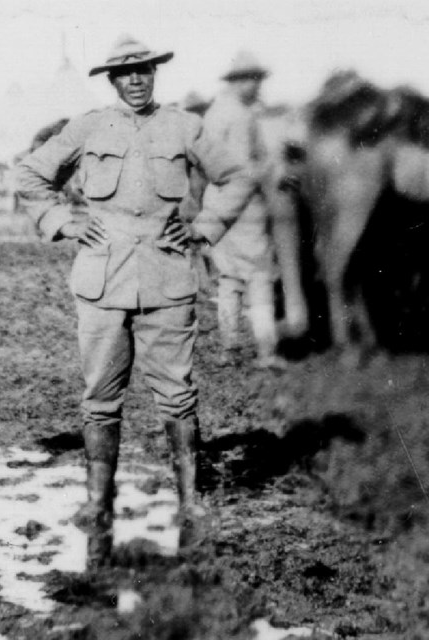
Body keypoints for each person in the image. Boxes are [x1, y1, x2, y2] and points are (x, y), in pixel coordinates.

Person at [16, 35, 254, 568]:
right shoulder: (88, 126)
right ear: (112, 80)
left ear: (155, 73)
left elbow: (237, 175)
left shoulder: (183, 126)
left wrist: (203, 228)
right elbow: (29, 176)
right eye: (126, 73)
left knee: (178, 395)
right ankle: (99, 510)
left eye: (144, 70)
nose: (137, 80)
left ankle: (191, 508)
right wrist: (63, 221)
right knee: (100, 397)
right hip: (101, 280)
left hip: (168, 278)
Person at [203, 50, 284, 369]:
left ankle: (229, 348)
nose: (259, 86)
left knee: (228, 280)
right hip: (244, 206)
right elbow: (242, 170)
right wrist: (271, 169)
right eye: (255, 80)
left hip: (217, 204)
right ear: (241, 82)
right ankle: (267, 352)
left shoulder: (214, 112)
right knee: (259, 277)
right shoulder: (240, 116)